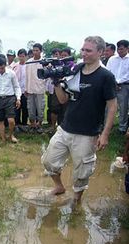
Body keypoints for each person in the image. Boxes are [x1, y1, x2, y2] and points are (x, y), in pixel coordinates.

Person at [42, 36, 117, 205]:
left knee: (82, 171)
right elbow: (62, 100)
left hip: (88, 133)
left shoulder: (106, 76)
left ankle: (77, 200)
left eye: (88, 50)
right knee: (49, 161)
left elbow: (112, 107)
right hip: (66, 127)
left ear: (100, 52)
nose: (84, 53)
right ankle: (59, 186)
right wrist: (56, 83)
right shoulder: (75, 70)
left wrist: (104, 134)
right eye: (83, 49)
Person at [0, 56, 21, 143]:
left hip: (9, 98)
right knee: (0, 121)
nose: (0, 70)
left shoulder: (11, 73)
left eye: (2, 68)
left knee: (11, 120)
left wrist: (18, 98)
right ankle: (3, 138)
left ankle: (10, 135)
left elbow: (16, 87)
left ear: (5, 65)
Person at [106, 39, 129, 134]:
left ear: (127, 49)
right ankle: (107, 125)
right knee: (108, 107)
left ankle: (122, 128)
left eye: (122, 49)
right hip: (112, 85)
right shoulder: (112, 59)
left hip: (124, 86)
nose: (120, 51)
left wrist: (118, 82)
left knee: (123, 107)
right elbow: (108, 71)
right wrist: (114, 83)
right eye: (118, 49)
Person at [25, 43, 47, 133]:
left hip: (39, 90)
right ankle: (33, 125)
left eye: (37, 50)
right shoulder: (29, 62)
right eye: (34, 50)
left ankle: (40, 125)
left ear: (41, 51)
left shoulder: (44, 62)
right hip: (30, 89)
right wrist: (26, 88)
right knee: (31, 109)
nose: (35, 52)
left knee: (40, 109)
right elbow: (27, 76)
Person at [12, 49, 28, 127]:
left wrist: (27, 89)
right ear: (18, 56)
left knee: (25, 108)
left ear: (26, 56)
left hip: (25, 91)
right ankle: (17, 124)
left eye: (23, 56)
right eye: (20, 56)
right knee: (17, 108)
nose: (21, 58)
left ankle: (24, 124)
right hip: (17, 91)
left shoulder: (28, 66)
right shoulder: (14, 66)